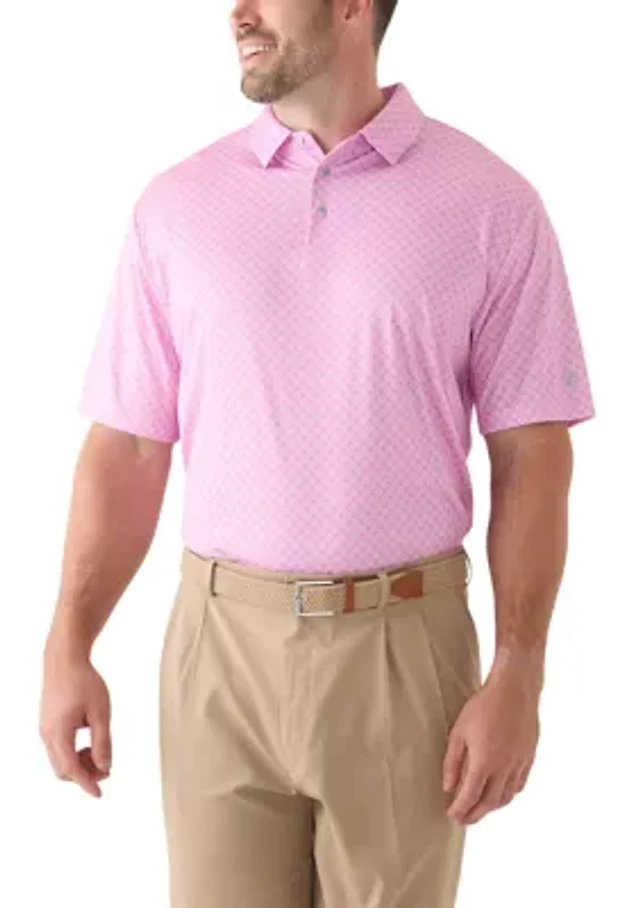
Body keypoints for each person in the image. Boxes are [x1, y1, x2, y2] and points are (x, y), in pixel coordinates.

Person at [39, 1, 596, 906]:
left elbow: (532, 458)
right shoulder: (177, 206)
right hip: (219, 651)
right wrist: (70, 643)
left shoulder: (491, 204)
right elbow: (130, 445)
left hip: (404, 654)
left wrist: (520, 671)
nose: (239, 12)